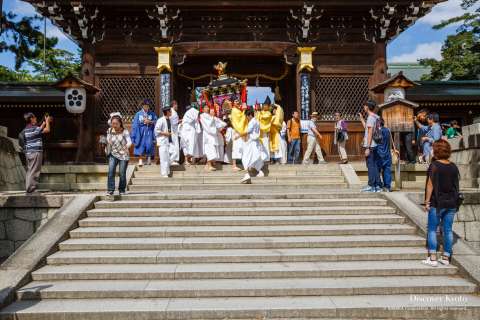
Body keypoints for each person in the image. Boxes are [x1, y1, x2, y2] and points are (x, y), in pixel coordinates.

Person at [423, 139, 460, 267]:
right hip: (451, 203)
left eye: (433, 148)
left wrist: (427, 202)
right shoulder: (454, 166)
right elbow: (456, 186)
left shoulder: (434, 166)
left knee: (432, 229)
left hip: (437, 203)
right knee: (448, 230)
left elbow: (430, 185)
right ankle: (446, 257)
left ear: (436, 151)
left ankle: (432, 258)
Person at [22, 112, 52, 194]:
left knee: (30, 170)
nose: (36, 118)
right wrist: (47, 121)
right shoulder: (35, 129)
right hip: (36, 152)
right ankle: (31, 188)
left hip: (28, 153)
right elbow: (47, 130)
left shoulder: (26, 129)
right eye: (34, 117)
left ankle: (28, 188)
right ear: (31, 119)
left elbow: (39, 129)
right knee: (35, 170)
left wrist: (43, 123)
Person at [106, 115, 131, 196]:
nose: (114, 125)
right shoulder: (110, 130)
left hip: (124, 155)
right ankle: (110, 190)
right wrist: (108, 141)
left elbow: (129, 141)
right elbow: (108, 139)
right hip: (113, 154)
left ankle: (122, 189)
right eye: (113, 123)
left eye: (116, 123)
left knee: (122, 173)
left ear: (120, 123)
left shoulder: (125, 131)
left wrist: (127, 146)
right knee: (111, 171)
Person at [240, 108, 268, 184]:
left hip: (252, 143)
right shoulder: (257, 121)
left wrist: (239, 135)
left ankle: (247, 175)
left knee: (246, 158)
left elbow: (248, 131)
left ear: (249, 115)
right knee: (255, 158)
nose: (246, 118)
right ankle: (259, 172)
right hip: (256, 142)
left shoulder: (251, 122)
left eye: (246, 116)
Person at [359, 100, 381, 192]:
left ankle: (371, 185)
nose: (364, 107)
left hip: (371, 145)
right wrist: (361, 119)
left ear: (367, 107)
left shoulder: (370, 118)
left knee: (370, 165)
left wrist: (367, 147)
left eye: (365, 106)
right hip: (375, 144)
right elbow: (367, 129)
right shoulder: (376, 117)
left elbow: (370, 132)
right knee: (375, 165)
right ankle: (377, 185)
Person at [131, 99, 157, 166]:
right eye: (145, 106)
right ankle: (140, 160)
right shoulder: (138, 114)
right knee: (140, 145)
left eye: (147, 106)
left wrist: (150, 122)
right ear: (142, 106)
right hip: (141, 131)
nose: (146, 107)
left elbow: (156, 121)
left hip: (149, 131)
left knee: (149, 145)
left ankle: (149, 159)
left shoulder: (152, 114)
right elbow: (135, 124)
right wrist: (135, 133)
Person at [199, 105, 226, 171]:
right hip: (208, 135)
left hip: (213, 135)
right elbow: (207, 125)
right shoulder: (202, 115)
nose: (207, 108)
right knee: (209, 150)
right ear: (202, 109)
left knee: (213, 150)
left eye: (207, 107)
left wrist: (220, 128)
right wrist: (212, 117)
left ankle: (208, 165)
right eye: (205, 107)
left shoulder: (210, 116)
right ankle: (209, 165)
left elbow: (222, 123)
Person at [376, 118, 399, 192]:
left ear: (378, 123)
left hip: (379, 153)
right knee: (387, 170)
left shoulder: (378, 131)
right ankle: (387, 187)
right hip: (387, 153)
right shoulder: (388, 130)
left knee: (377, 170)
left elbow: (376, 142)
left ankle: (379, 185)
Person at [154, 106, 174, 178]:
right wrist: (165, 133)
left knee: (172, 154)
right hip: (162, 141)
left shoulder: (169, 120)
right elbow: (156, 130)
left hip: (169, 141)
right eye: (170, 111)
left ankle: (167, 170)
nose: (171, 113)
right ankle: (164, 173)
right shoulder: (160, 120)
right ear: (167, 112)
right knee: (163, 157)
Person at [230, 100, 248, 171]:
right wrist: (244, 111)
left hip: (241, 131)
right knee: (236, 148)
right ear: (233, 103)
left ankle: (244, 164)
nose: (237, 103)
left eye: (238, 102)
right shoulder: (234, 110)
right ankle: (234, 165)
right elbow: (241, 119)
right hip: (237, 131)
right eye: (236, 101)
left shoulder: (238, 110)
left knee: (243, 148)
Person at [257, 97, 273, 162]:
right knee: (259, 146)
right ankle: (260, 159)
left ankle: (266, 159)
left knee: (265, 145)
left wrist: (259, 114)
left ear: (268, 106)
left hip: (265, 132)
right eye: (264, 105)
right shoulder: (260, 112)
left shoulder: (269, 113)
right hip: (259, 132)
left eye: (266, 105)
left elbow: (264, 118)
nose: (264, 106)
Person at [169, 100, 181, 165]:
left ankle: (174, 159)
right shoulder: (172, 112)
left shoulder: (173, 111)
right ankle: (173, 160)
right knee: (174, 145)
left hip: (174, 131)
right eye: (176, 105)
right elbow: (173, 122)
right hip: (173, 131)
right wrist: (181, 121)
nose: (177, 106)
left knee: (174, 144)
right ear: (174, 105)